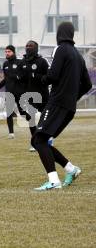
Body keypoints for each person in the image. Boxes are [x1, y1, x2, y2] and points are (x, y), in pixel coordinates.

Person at [31, 22, 92, 191]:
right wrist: (73, 98)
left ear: (59, 34)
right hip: (69, 108)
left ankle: (54, 181)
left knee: (38, 140)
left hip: (57, 103)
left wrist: (42, 79)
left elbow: (53, 75)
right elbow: (87, 84)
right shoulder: (78, 55)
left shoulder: (60, 49)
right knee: (42, 140)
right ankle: (71, 169)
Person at [20, 40, 50, 151]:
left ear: (36, 48)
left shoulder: (42, 61)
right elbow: (21, 79)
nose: (28, 47)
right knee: (31, 119)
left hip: (42, 95)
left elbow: (48, 78)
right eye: (27, 45)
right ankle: (34, 142)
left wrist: (35, 75)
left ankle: (47, 138)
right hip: (29, 96)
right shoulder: (22, 62)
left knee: (45, 118)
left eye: (31, 46)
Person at [0, 45, 24, 139]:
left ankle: (34, 123)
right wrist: (1, 84)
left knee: (23, 112)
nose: (7, 53)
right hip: (9, 92)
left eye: (9, 51)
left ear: (13, 52)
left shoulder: (20, 62)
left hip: (19, 92)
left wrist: (16, 76)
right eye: (6, 51)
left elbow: (22, 76)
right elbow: (7, 77)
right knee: (8, 112)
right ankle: (11, 133)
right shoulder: (5, 64)